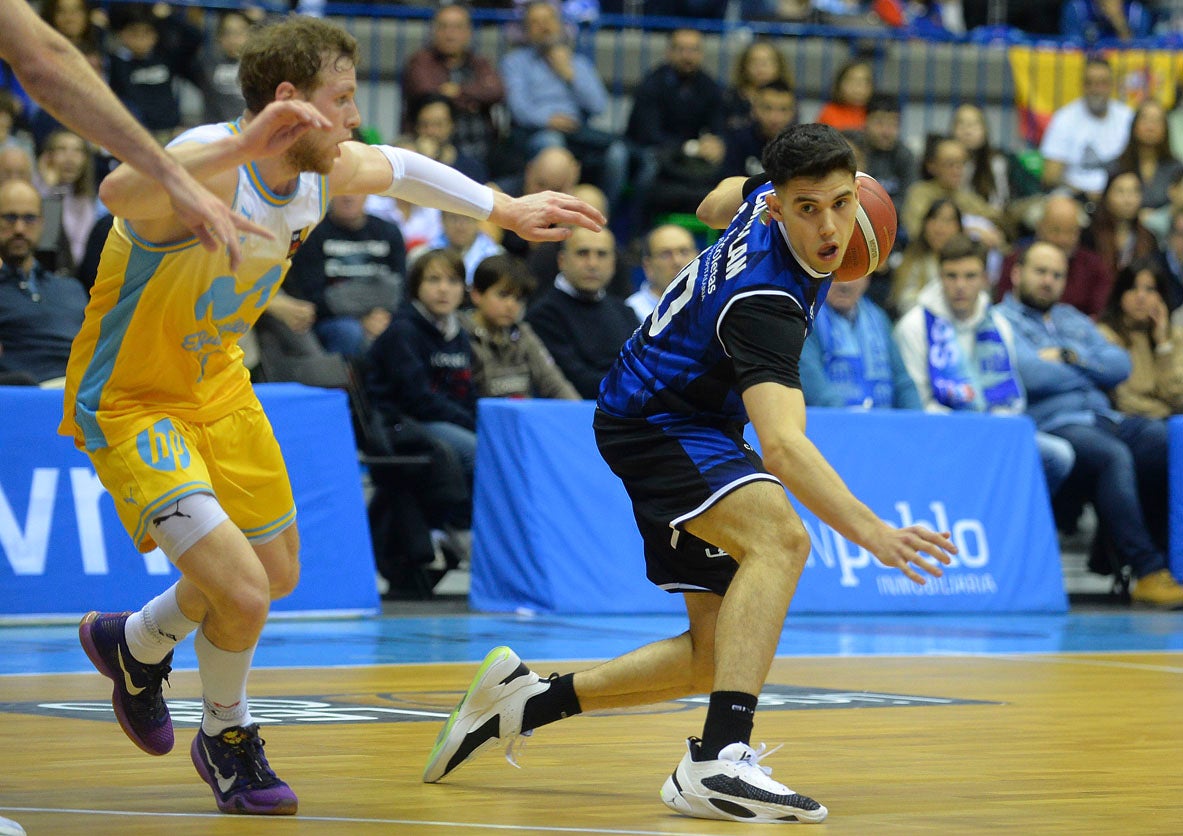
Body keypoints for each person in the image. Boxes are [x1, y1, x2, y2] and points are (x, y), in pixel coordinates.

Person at [62, 14, 603, 817]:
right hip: (134, 399)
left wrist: (506, 208)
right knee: (242, 592)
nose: (355, 119)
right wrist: (249, 144)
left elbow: (404, 167)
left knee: (275, 576)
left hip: (218, 386)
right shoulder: (204, 166)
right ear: (289, 103)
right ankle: (227, 736)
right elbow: (118, 190)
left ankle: (135, 643)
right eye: (342, 100)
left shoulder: (319, 168)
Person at [422, 123, 955, 824]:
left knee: (715, 654)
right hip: (658, 424)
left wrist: (761, 196)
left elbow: (712, 201)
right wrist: (873, 533)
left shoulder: (761, 197)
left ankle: (522, 699)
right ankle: (717, 759)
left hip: (677, 414)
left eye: (837, 203)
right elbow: (784, 449)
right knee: (781, 540)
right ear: (778, 208)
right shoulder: (765, 302)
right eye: (807, 209)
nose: (828, 227)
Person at [0, 0, 265, 269]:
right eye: (9, 218)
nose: (19, 227)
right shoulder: (45, 188)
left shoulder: (93, 200)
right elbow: (46, 257)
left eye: (76, 152)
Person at [997, 241, 1183, 608]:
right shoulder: (1001, 321)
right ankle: (1147, 571)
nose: (1048, 281)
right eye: (1040, 272)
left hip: (1106, 418)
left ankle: (1171, 562)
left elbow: (1120, 365)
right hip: (1055, 424)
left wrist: (1067, 358)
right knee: (1112, 456)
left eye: (1057, 275)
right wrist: (1090, 371)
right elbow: (1030, 374)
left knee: (1165, 441)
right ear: (1018, 274)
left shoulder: (1073, 319)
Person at [893, 234, 1075, 496]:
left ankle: (1015, 520)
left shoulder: (998, 324)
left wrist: (992, 430)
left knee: (1059, 456)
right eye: (951, 276)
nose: (960, 285)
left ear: (985, 278)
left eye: (970, 276)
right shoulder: (915, 326)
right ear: (939, 276)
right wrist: (973, 430)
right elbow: (918, 404)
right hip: (944, 433)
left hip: (995, 430)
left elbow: (1013, 398)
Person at [500, 1, 628, 210]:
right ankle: (549, 214)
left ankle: (601, 217)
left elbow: (598, 106)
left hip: (577, 133)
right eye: (535, 22)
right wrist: (547, 120)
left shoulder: (578, 63)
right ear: (526, 31)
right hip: (535, 132)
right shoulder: (515, 62)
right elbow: (519, 108)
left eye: (549, 20)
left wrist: (569, 74)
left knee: (617, 153)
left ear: (560, 24)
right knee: (552, 144)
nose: (544, 27)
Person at [366, 248, 479, 482]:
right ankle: (461, 519)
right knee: (478, 452)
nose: (444, 289)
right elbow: (417, 399)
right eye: (433, 279)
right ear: (416, 286)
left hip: (447, 420)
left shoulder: (459, 333)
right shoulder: (402, 332)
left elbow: (466, 390)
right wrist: (469, 422)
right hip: (404, 423)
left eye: (453, 281)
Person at [284, 192, 406, 359]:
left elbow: (401, 289)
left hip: (383, 315)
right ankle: (348, 385)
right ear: (330, 192)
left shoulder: (389, 232)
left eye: (356, 190)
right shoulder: (312, 233)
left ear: (368, 193)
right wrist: (362, 318)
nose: (349, 196)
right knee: (349, 331)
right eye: (342, 190)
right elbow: (311, 296)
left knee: (405, 329)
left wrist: (381, 315)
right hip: (331, 321)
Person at [625, 28, 726, 223]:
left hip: (685, 154)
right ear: (669, 52)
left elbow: (718, 126)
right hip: (644, 149)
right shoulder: (652, 84)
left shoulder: (708, 85)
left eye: (694, 50)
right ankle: (636, 232)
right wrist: (691, 147)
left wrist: (717, 143)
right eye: (681, 49)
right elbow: (649, 135)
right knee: (650, 166)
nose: (688, 56)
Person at [527, 225, 639, 398]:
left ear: (613, 263)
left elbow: (645, 366)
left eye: (601, 254)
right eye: (582, 253)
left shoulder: (624, 311)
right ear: (562, 260)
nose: (592, 264)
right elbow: (577, 382)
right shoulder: (543, 315)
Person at [0, 178, 88, 385]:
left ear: (42, 223)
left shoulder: (70, 288)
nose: (20, 229)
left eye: (29, 218)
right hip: (23, 395)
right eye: (9, 218)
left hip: (83, 393)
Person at [401, 2, 504, 168]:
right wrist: (472, 100)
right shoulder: (420, 61)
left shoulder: (480, 62)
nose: (450, 34)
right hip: (434, 144)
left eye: (457, 27)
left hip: (484, 146)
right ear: (434, 31)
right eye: (444, 27)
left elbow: (496, 91)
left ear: (469, 32)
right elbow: (428, 93)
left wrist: (458, 91)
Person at [463, 252, 580, 399]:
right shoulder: (459, 334)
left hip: (520, 420)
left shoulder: (523, 333)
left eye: (518, 298)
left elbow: (554, 384)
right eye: (503, 295)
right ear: (476, 294)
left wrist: (581, 417)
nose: (511, 305)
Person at [799, 274, 922, 409]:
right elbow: (813, 382)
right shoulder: (805, 318)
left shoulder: (879, 318)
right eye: (835, 275)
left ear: (867, 279)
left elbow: (903, 383)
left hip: (883, 424)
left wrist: (919, 422)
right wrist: (853, 423)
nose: (844, 285)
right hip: (831, 423)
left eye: (854, 275)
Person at [995, 193, 1114, 318]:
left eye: (1070, 231)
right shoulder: (1015, 260)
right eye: (1055, 230)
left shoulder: (1094, 266)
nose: (1063, 239)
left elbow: (1100, 315)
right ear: (1040, 227)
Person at [1096, 258, 1183, 417]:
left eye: (1150, 289)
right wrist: (1164, 413)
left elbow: (1178, 396)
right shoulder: (1105, 335)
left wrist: (1163, 345)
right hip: (1132, 422)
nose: (1141, 297)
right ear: (1120, 295)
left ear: (1161, 297)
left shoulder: (1174, 336)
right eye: (1132, 288)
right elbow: (1121, 399)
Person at [1039, 57, 1133, 202]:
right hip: (1075, 198)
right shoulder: (1064, 118)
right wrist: (1084, 194)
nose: (1096, 89)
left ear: (1111, 85)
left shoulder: (1128, 117)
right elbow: (1050, 176)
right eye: (1090, 83)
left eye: (1102, 83)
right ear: (1082, 85)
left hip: (1121, 199)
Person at [1083, 170, 1160, 281]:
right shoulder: (1089, 235)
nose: (1128, 199)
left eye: (1135, 191)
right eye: (1120, 191)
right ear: (1106, 196)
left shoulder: (1148, 238)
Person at [1108, 100, 1183, 211]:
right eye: (1145, 119)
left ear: (1165, 128)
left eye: (1157, 121)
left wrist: (1156, 218)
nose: (1150, 127)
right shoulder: (1117, 166)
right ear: (1134, 125)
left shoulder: (1176, 168)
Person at [851, 94, 915, 215]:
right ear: (865, 121)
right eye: (879, 123)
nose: (886, 131)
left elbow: (908, 199)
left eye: (893, 124)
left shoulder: (905, 155)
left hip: (895, 220)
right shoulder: (855, 150)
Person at [720, 37, 793, 132]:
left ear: (779, 65)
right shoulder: (730, 97)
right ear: (744, 65)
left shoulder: (788, 97)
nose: (761, 67)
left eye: (767, 62)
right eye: (754, 61)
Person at [627, 223, 698, 321]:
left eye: (684, 252)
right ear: (648, 266)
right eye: (665, 254)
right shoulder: (630, 312)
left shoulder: (713, 303)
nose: (677, 261)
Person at [815, 58, 873, 133]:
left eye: (865, 81)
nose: (859, 87)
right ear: (839, 84)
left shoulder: (874, 114)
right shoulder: (829, 113)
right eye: (852, 81)